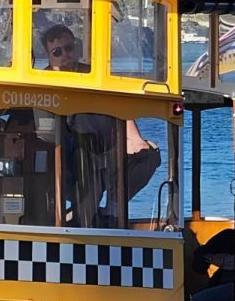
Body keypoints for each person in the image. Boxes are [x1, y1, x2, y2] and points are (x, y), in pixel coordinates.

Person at [40, 24, 161, 226]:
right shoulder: (43, 82)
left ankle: (114, 206)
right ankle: (79, 221)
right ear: (49, 56)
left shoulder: (93, 75)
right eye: (57, 52)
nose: (65, 55)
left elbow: (121, 106)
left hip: (110, 149)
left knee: (149, 155)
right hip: (76, 158)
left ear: (76, 48)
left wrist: (134, 139)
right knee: (87, 202)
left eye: (68, 48)